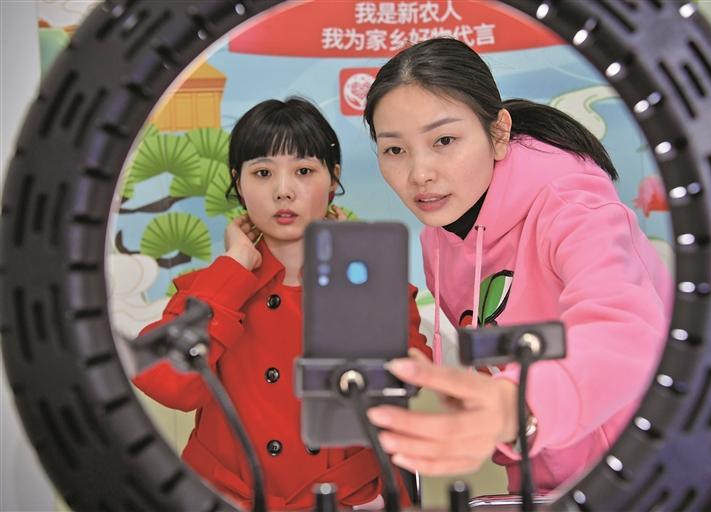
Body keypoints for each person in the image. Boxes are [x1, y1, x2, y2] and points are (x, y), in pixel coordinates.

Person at [361, 37, 673, 496]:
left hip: (655, 478)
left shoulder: (573, 206)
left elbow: (625, 328)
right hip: (543, 486)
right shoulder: (438, 241)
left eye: (444, 140)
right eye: (394, 150)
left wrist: (515, 405)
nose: (419, 173)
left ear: (499, 133)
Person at [132, 97, 432, 510]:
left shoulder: (376, 282)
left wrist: (348, 272)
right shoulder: (213, 286)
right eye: (262, 172)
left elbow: (404, 381)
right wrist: (235, 266)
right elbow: (167, 384)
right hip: (227, 497)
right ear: (238, 183)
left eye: (304, 171)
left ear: (333, 179)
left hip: (347, 498)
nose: (283, 191)